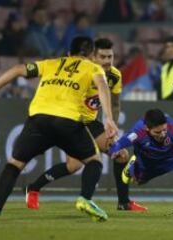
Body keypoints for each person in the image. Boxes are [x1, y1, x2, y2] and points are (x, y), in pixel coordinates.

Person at [0, 36, 118, 223]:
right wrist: (109, 118)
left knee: (14, 164)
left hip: (38, 119)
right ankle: (85, 199)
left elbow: (18, 69)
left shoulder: (51, 63)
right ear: (90, 55)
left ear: (69, 53)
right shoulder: (93, 67)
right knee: (93, 161)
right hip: (68, 121)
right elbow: (103, 86)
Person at [25, 38, 147, 212]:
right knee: (73, 166)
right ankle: (34, 187)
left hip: (91, 122)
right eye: (102, 57)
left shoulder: (114, 75)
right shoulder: (82, 72)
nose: (107, 61)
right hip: (72, 121)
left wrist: (112, 125)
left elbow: (114, 103)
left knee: (121, 154)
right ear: (92, 57)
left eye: (110, 56)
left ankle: (123, 202)